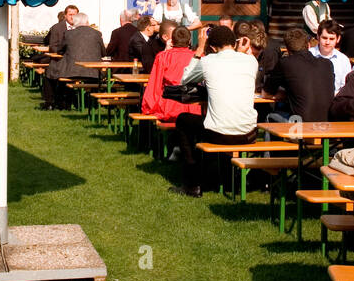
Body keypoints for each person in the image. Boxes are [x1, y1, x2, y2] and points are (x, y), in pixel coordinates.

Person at [172, 25, 258, 196]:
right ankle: (219, 174)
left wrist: (198, 50)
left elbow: (185, 79)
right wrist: (240, 53)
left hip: (219, 133)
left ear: (211, 47)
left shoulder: (207, 61)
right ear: (234, 43)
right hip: (249, 132)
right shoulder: (251, 61)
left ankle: (192, 182)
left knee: (183, 120)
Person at [261, 27, 335, 123]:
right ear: (308, 45)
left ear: (287, 49)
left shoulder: (285, 63)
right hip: (327, 121)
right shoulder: (327, 64)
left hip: (301, 123)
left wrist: (286, 95)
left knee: (269, 117)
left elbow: (266, 93)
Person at [141, 25, 204, 123]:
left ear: (172, 41)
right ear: (189, 41)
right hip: (193, 105)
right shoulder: (198, 56)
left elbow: (155, 84)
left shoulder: (163, 57)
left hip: (170, 105)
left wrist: (148, 106)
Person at [41, 13, 103, 110]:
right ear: (87, 22)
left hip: (72, 71)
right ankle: (88, 102)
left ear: (74, 23)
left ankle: (52, 102)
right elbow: (103, 52)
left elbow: (60, 50)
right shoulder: (97, 34)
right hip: (94, 72)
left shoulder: (69, 34)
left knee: (50, 71)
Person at [309, 20, 352, 94]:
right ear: (318, 37)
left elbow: (345, 87)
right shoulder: (308, 55)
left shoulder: (343, 60)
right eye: (324, 38)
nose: (327, 42)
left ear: (338, 39)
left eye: (331, 39)